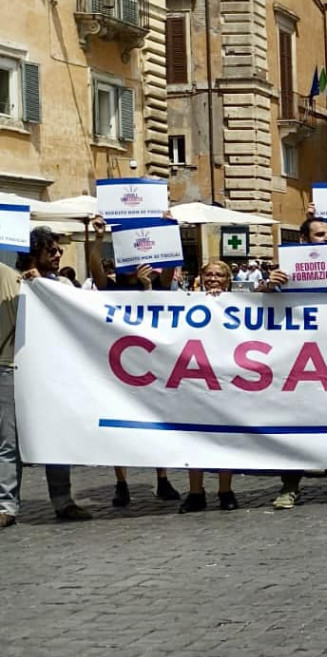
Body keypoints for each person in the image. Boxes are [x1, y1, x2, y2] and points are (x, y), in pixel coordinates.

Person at [263, 215, 327, 508]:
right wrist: (268, 287)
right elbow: (256, 309)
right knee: (294, 423)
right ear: (304, 240)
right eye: (319, 235)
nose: (326, 239)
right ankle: (289, 486)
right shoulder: (285, 272)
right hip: (296, 360)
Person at [86, 216, 182, 507]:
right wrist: (99, 238)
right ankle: (121, 483)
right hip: (119, 367)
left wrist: (167, 231)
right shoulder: (112, 289)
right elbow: (94, 269)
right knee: (120, 427)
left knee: (159, 424)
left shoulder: (157, 285)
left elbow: (167, 273)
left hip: (155, 368)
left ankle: (162, 478)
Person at [0, 227, 91, 525]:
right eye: (50, 250)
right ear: (33, 253)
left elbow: (77, 312)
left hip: (52, 370)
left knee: (55, 436)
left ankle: (63, 501)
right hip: (10, 366)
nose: (58, 254)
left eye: (58, 250)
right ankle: (6, 506)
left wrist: (43, 286)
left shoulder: (62, 282)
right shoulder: (7, 279)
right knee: (8, 441)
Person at [178, 260, 239, 513]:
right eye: (209, 274)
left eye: (219, 275)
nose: (213, 279)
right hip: (196, 377)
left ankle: (225, 490)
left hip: (227, 378)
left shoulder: (238, 304)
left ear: (228, 279)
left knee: (225, 437)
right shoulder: (189, 300)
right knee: (196, 436)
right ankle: (195, 492)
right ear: (201, 277)